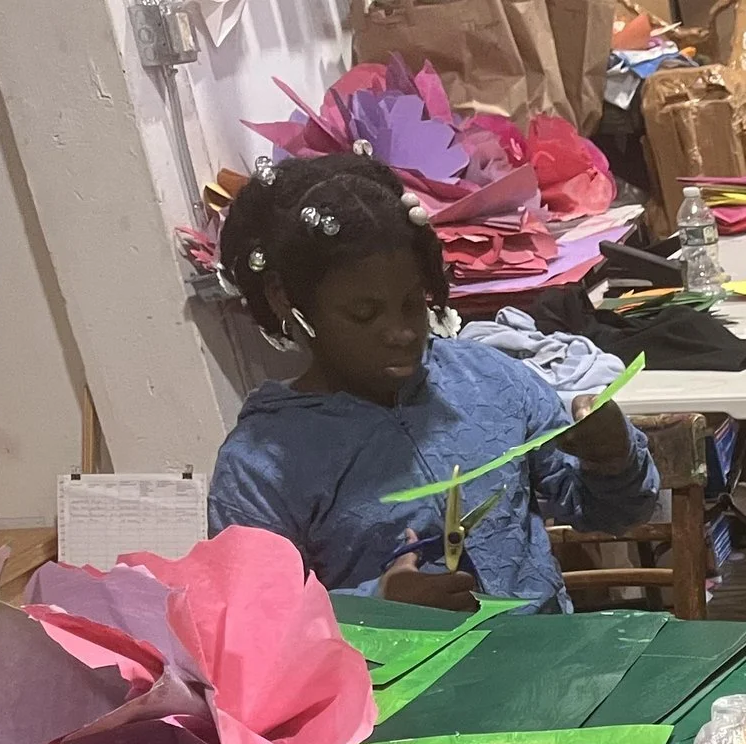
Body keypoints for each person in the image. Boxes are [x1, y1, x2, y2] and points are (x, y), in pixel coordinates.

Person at [208, 153, 658, 611]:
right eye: (364, 314)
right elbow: (252, 622)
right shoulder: (260, 466)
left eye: (412, 304)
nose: (402, 332)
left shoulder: (489, 380)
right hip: (381, 662)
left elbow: (616, 512)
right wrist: (379, 605)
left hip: (551, 651)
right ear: (285, 299)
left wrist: (612, 459)